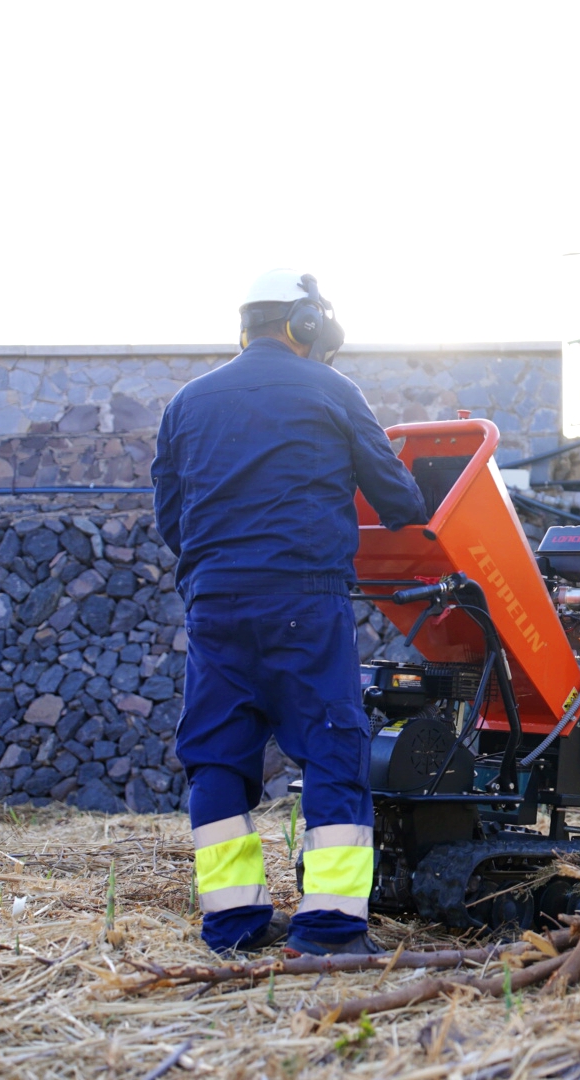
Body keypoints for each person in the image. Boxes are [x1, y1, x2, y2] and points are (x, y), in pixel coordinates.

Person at [151, 270, 427, 955]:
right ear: (307, 324)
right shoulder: (333, 389)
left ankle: (233, 923)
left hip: (214, 604)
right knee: (333, 750)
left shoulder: (186, 402)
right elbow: (400, 503)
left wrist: (221, 569)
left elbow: (171, 518)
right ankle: (329, 928)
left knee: (215, 759)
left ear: (245, 326)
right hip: (304, 600)